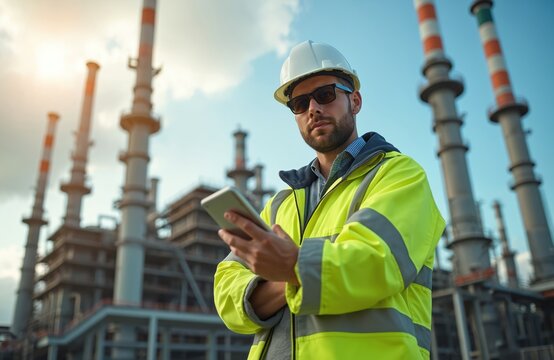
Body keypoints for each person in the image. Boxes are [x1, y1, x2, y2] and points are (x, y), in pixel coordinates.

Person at [214, 40, 445, 360]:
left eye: (325, 95)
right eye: (299, 103)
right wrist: (294, 273)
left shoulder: (398, 175)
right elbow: (227, 293)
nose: (313, 109)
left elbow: (373, 263)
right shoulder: (281, 204)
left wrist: (289, 267)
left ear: (356, 101)